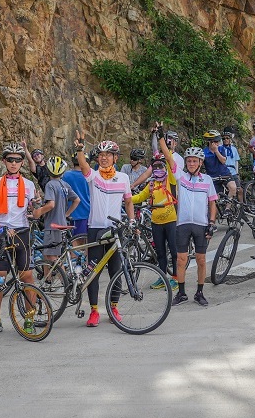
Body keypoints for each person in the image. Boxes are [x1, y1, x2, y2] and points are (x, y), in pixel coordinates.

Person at [73, 131, 135, 327]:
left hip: (116, 230)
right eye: (101, 155)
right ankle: (94, 311)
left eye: (108, 155)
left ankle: (114, 308)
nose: (104, 157)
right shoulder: (94, 176)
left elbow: (128, 201)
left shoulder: (124, 178)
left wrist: (132, 221)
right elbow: (83, 165)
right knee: (94, 273)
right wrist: (80, 149)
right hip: (96, 228)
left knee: (116, 270)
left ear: (115, 158)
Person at [0, 142, 38, 337]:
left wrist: (36, 208)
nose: (14, 163)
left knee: (27, 277)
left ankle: (29, 318)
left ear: (22, 162)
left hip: (22, 233)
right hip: (2, 234)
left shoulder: (29, 185)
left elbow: (35, 213)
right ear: (4, 161)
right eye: (10, 160)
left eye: (18, 160)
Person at [158, 126, 217, 307]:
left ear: (200, 163)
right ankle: (181, 293)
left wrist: (212, 223)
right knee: (181, 260)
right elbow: (168, 156)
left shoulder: (207, 180)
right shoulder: (180, 176)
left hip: (200, 224)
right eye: (189, 161)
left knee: (200, 260)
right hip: (182, 224)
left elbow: (212, 202)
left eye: (194, 161)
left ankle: (199, 292)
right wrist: (161, 138)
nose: (191, 163)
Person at [131, 152, 178, 291]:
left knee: (174, 252)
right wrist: (126, 197)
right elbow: (140, 197)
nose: (159, 169)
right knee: (161, 253)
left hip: (171, 222)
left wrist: (164, 149)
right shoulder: (151, 184)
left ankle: (176, 278)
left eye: (161, 166)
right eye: (155, 167)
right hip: (156, 223)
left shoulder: (171, 181)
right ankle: (162, 277)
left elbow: (170, 163)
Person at [32, 156, 80, 266]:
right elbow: (77, 200)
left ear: (48, 170)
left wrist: (39, 211)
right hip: (61, 223)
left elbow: (51, 204)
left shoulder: (50, 185)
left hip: (52, 225)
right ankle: (47, 279)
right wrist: (66, 214)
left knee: (53, 257)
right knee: (47, 252)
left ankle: (65, 281)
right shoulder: (64, 185)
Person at [62, 153, 90, 242]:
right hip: (89, 212)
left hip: (74, 213)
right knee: (87, 243)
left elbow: (63, 195)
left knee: (75, 242)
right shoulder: (90, 176)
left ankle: (74, 256)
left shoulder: (66, 176)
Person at [203, 130, 237, 199]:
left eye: (218, 141)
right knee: (216, 199)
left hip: (224, 174)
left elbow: (223, 161)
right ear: (210, 142)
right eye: (215, 142)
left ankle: (228, 208)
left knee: (233, 188)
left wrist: (216, 151)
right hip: (213, 177)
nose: (217, 143)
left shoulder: (221, 148)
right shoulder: (204, 152)